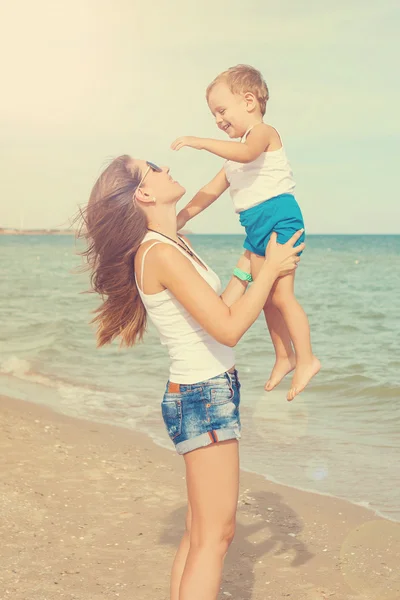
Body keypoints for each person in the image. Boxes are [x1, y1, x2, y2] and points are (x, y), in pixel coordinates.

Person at [76, 155, 304, 600]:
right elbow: (230, 327)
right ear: (144, 193)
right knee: (214, 537)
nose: (166, 167)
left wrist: (246, 265)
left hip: (203, 392)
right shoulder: (158, 252)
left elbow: (214, 313)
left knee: (200, 533)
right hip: (203, 396)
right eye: (155, 166)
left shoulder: (169, 242)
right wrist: (273, 269)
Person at [172, 64, 320, 401]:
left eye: (221, 110)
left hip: (280, 219)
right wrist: (180, 218)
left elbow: (247, 151)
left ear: (249, 101)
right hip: (254, 227)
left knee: (282, 296)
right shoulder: (232, 159)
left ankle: (308, 358)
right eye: (213, 114)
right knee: (266, 298)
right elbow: (209, 191)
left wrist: (201, 142)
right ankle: (285, 357)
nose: (217, 120)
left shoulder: (263, 133)